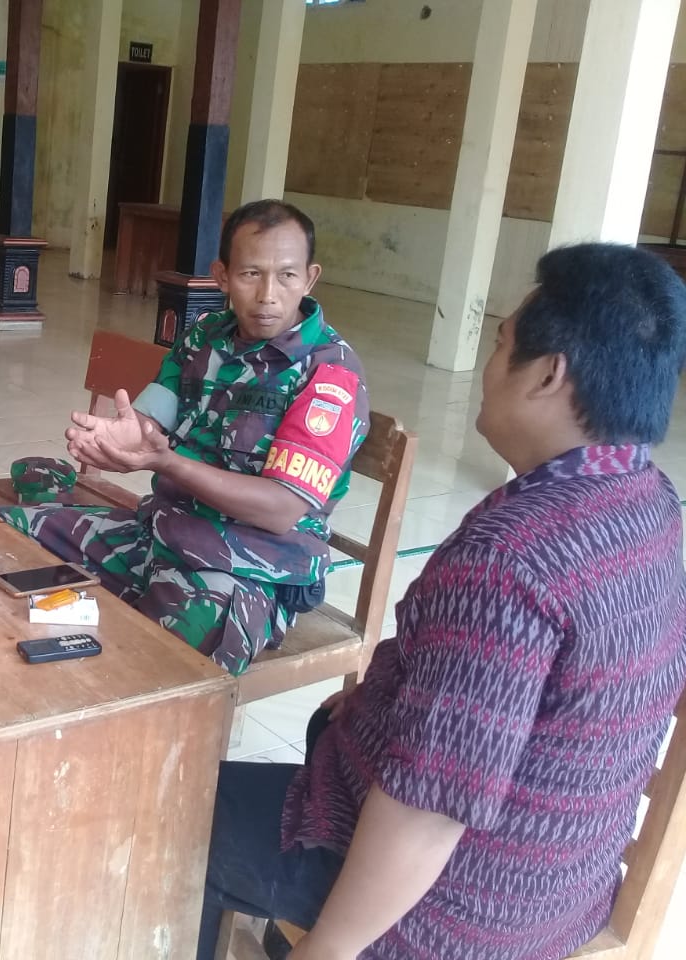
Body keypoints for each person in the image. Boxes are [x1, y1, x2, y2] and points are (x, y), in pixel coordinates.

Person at [195, 242, 686, 960]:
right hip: (565, 882)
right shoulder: (651, 501)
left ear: (548, 374)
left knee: (171, 819)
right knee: (328, 723)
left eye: (501, 343)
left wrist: (329, 950)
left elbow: (428, 811)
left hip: (456, 909)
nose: (490, 365)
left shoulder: (511, 560)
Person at [0, 200, 370, 674]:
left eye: (287, 276)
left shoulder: (329, 373)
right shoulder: (205, 337)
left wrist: (166, 462)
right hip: (160, 534)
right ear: (222, 275)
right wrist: (124, 439)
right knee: (0, 538)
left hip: (248, 571)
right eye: (251, 274)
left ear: (310, 278)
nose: (268, 295)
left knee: (160, 668)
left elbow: (280, 510)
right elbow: (152, 422)